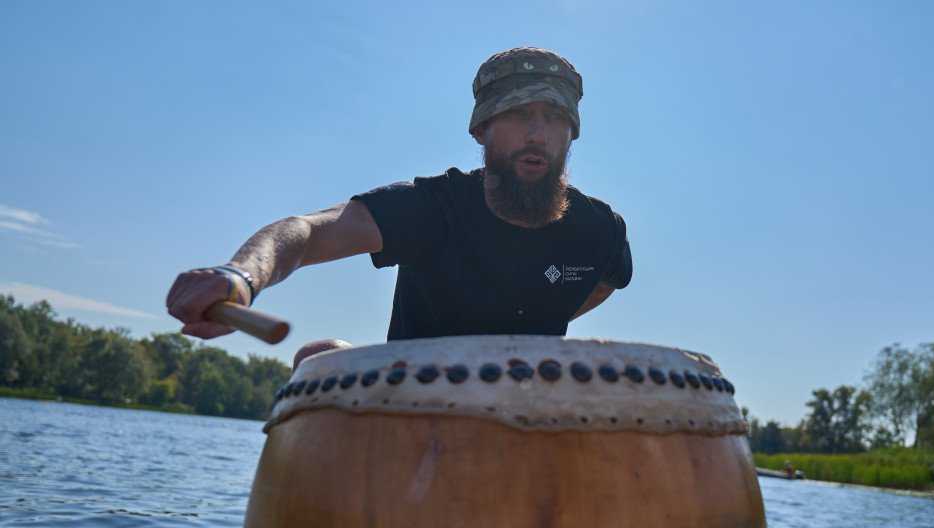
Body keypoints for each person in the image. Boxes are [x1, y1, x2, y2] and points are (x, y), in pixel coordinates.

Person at [166, 47, 633, 367]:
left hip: (537, 405)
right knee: (321, 357)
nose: (537, 134)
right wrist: (241, 277)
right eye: (517, 113)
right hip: (411, 397)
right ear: (481, 129)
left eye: (554, 119)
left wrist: (548, 314)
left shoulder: (601, 232)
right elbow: (307, 231)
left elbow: (605, 283)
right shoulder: (431, 209)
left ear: (571, 133)